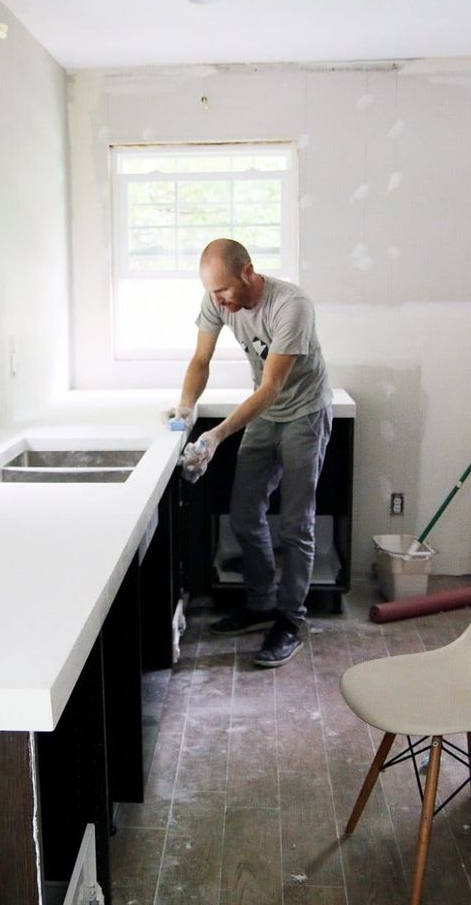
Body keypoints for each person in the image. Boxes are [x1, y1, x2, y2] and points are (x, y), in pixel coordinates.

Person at [165, 238, 332, 668]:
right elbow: (200, 359)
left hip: (304, 415)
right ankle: (260, 605)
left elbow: (272, 387)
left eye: (222, 291)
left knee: (296, 525)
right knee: (243, 513)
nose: (217, 300)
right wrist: (187, 406)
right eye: (212, 293)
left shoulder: (291, 305)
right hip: (265, 414)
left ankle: (291, 621)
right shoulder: (218, 300)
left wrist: (216, 436)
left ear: (248, 272)